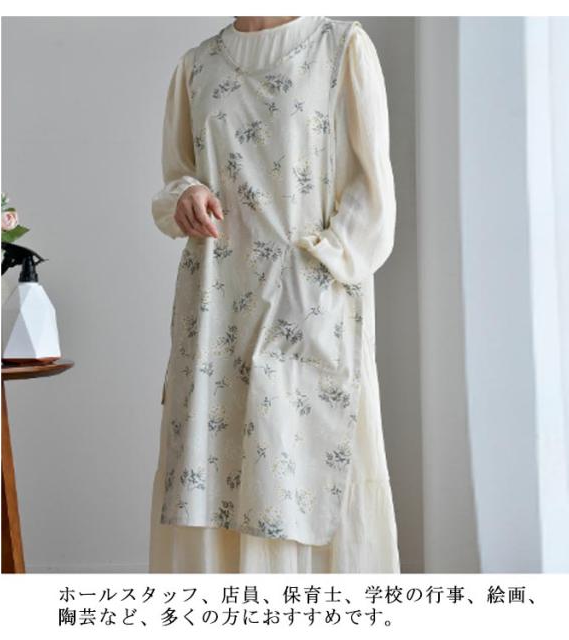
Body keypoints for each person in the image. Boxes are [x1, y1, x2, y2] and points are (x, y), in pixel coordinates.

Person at [149, 15, 400, 573]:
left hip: (306, 306)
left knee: (299, 478)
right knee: (209, 482)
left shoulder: (342, 48)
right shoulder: (195, 66)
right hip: (215, 309)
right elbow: (175, 179)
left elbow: (372, 200)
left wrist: (312, 283)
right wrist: (186, 195)